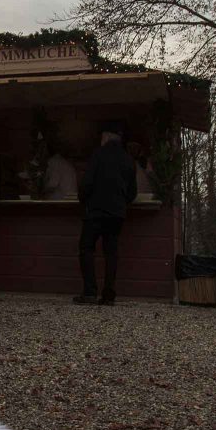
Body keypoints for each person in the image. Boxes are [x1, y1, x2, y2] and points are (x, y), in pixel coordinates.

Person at [74, 122, 137, 306]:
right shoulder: (128, 160)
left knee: (86, 248)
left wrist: (83, 199)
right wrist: (121, 203)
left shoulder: (98, 155)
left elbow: (86, 184)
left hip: (96, 210)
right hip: (117, 213)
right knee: (111, 252)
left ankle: (90, 292)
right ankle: (108, 294)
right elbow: (132, 193)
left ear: (107, 136)